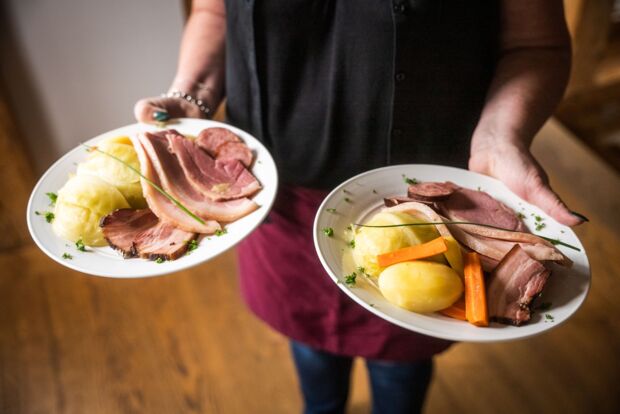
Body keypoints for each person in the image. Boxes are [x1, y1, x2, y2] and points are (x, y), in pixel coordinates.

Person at [135, 1, 586, 412]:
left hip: (424, 215)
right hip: (275, 200)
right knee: (310, 349)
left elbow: (535, 44)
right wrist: (191, 94)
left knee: (399, 368)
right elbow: (215, 13)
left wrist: (501, 135)